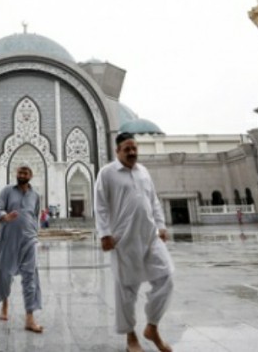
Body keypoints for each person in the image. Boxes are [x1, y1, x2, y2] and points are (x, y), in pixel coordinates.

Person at [94, 132, 174, 352]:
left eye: (134, 148)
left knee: (166, 276)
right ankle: (131, 337)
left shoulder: (144, 172)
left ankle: (152, 326)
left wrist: (161, 225)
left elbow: (153, 200)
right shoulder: (107, 173)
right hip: (123, 238)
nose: (132, 152)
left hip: (149, 235)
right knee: (126, 289)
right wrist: (104, 233)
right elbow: (100, 205)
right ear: (117, 151)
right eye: (127, 149)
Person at [0, 164, 43, 333]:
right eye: (20, 172)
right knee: (5, 274)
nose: (22, 174)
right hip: (9, 239)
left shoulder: (35, 195)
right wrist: (5, 216)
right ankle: (5, 303)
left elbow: (35, 215)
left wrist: (36, 234)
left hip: (29, 240)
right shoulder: (7, 191)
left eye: (25, 172)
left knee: (30, 277)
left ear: (31, 175)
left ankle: (30, 317)